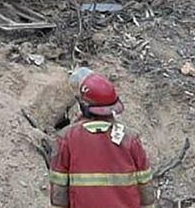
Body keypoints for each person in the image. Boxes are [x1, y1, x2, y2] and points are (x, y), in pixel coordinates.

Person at [49, 73, 156, 208]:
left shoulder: (67, 138)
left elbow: (59, 193)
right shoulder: (130, 138)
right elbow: (145, 188)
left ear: (84, 105)